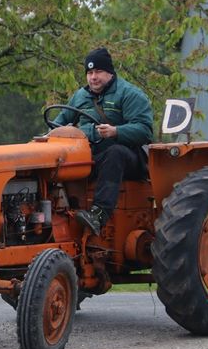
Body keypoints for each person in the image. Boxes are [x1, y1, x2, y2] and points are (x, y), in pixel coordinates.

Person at [53, 47, 154, 235]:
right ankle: (57, 214)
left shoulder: (129, 94)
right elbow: (57, 123)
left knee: (115, 153)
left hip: (128, 159)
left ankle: (99, 215)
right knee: (56, 159)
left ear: (110, 72)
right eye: (89, 73)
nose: (93, 77)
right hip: (92, 157)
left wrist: (116, 131)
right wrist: (45, 138)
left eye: (98, 71)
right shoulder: (80, 96)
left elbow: (145, 131)